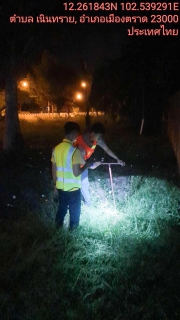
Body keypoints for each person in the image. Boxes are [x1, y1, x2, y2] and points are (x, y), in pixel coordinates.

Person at [51, 121, 96, 230]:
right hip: (73, 189)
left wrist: (55, 185)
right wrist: (86, 166)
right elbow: (77, 172)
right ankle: (73, 233)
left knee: (62, 209)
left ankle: (57, 230)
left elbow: (54, 169)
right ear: (75, 134)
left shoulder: (56, 149)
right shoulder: (74, 151)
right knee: (75, 212)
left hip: (61, 187)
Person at [74, 122, 125, 206]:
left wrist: (117, 159)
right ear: (93, 133)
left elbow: (107, 149)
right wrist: (93, 165)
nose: (100, 138)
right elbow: (84, 163)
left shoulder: (96, 139)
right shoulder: (80, 143)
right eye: (99, 136)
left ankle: (88, 204)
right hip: (73, 165)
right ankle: (75, 203)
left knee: (84, 183)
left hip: (83, 163)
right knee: (76, 184)